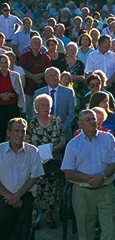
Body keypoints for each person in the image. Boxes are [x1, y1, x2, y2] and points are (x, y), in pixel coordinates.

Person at [61, 109, 115, 240]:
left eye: (94, 119)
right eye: (88, 120)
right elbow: (68, 172)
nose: (92, 122)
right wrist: (88, 179)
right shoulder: (73, 145)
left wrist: (102, 176)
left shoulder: (108, 138)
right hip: (83, 193)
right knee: (85, 231)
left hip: (106, 190)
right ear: (80, 123)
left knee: (110, 230)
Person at [26, 94, 66, 229]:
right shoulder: (31, 123)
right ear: (36, 107)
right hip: (36, 162)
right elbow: (26, 141)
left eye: (48, 104)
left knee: (53, 189)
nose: (45, 107)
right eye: (42, 105)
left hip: (53, 162)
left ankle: (49, 216)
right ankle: (35, 215)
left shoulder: (57, 120)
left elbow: (62, 139)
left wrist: (53, 149)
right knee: (35, 189)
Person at [0, 117, 44, 239]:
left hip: (24, 198)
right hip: (3, 198)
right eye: (16, 131)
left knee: (22, 235)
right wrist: (9, 196)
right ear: (8, 133)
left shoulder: (32, 151)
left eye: (22, 131)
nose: (20, 134)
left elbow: (34, 176)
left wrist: (17, 195)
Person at [34, 66, 76, 138]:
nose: (53, 77)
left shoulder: (68, 92)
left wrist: (61, 127)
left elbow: (71, 113)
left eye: (55, 75)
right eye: (50, 75)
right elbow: (35, 112)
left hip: (63, 132)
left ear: (59, 77)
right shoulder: (38, 93)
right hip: (43, 132)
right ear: (46, 78)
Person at [0, 54, 24, 142]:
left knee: (13, 129)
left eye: (6, 62)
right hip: (1, 107)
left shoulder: (15, 75)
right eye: (2, 63)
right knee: (1, 129)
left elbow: (19, 92)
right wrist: (1, 95)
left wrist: (11, 95)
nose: (4, 65)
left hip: (12, 106)